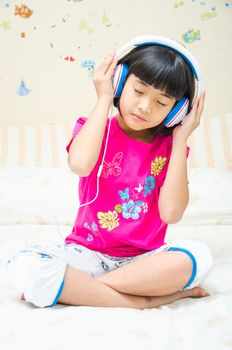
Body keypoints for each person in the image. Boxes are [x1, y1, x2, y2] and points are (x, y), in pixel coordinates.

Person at [7, 37, 213, 309]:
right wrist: (104, 97)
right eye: (138, 91)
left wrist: (180, 140)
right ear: (119, 81)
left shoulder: (170, 150)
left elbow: (171, 214)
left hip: (144, 263)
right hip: (86, 256)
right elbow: (80, 164)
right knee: (24, 264)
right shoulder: (93, 129)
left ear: (177, 111)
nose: (144, 107)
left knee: (199, 256)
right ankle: (146, 301)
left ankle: (81, 290)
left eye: (162, 103)